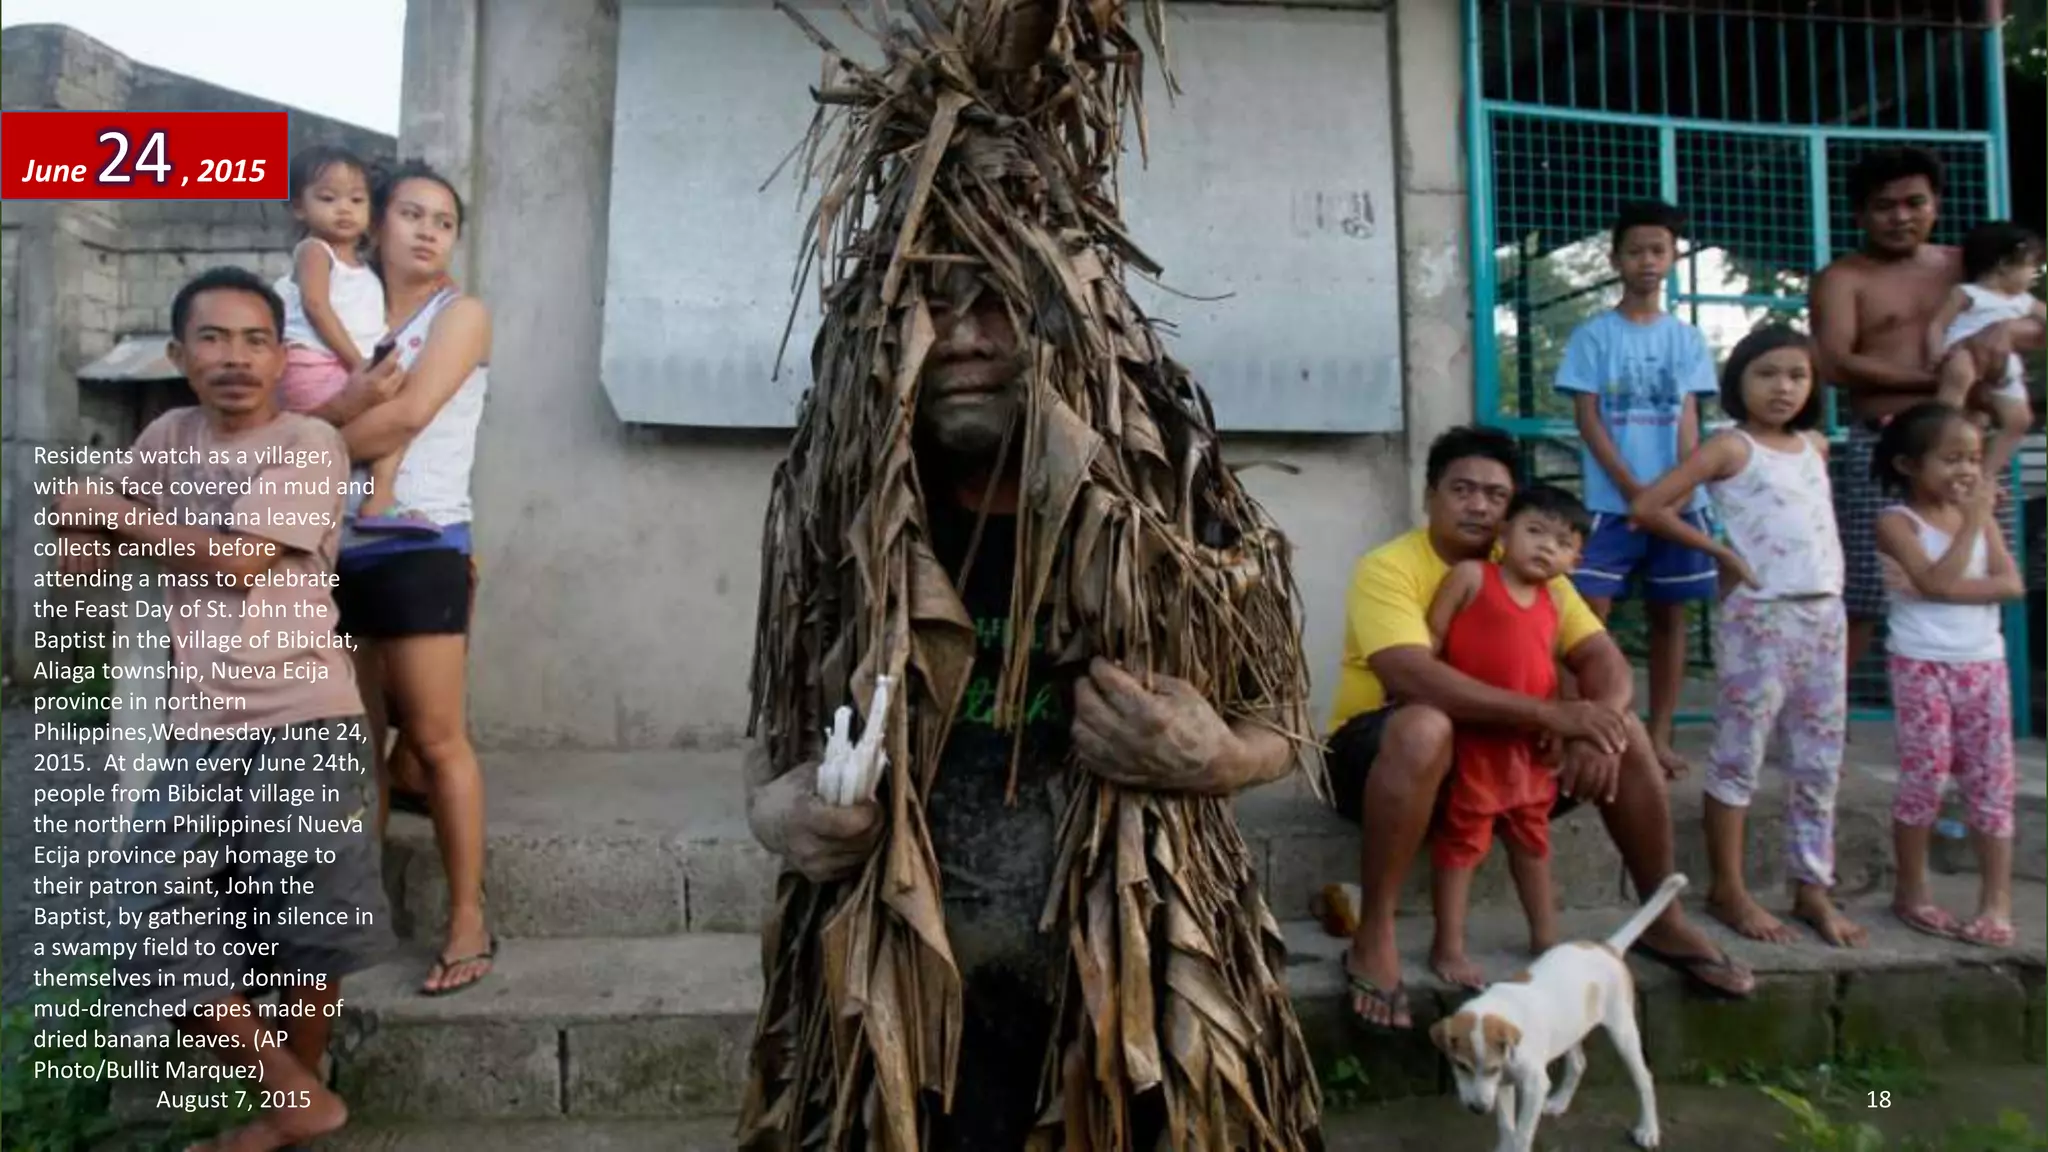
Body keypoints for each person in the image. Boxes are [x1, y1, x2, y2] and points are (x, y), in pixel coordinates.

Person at [742, 276, 1300, 1148]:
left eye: (996, 300)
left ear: (1081, 323)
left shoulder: (1176, 514)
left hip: (1132, 1015)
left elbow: (1285, 727)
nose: (963, 337)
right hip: (906, 1026)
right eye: (929, 304)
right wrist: (792, 816)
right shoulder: (845, 533)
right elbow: (767, 769)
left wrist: (1219, 757)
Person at [52, 266, 393, 1151]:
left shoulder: (309, 443)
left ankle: (292, 1111)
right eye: (213, 338)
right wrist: (84, 532)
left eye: (255, 340)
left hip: (306, 719)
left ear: (282, 356)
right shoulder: (167, 435)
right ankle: (292, 1093)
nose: (235, 358)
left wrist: (117, 522)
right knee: (145, 905)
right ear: (179, 353)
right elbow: (91, 527)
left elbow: (239, 561)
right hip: (201, 727)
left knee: (309, 929)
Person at [1327, 424, 1754, 1031]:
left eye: (1495, 495)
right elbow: (1411, 676)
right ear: (1430, 496)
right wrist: (1554, 715)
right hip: (1377, 758)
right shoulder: (1388, 567)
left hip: (1502, 767)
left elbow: (1603, 659)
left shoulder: (1532, 570)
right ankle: (1375, 936)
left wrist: (1594, 725)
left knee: (1622, 729)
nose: (1478, 504)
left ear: (1511, 512)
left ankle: (1662, 917)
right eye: (1462, 490)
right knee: (1425, 725)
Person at [314, 161, 495, 996]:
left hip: (421, 541)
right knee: (357, 750)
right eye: (412, 214)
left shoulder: (460, 316)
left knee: (435, 737)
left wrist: (287, 449)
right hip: (326, 551)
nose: (427, 231)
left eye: (445, 221)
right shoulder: (337, 307)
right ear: (376, 224)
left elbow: (411, 414)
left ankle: (467, 916)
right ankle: (353, 923)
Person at [1630, 326, 1865, 948]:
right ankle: (1729, 889)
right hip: (1761, 616)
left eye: (1797, 375)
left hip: (1824, 615)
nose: (1783, 387)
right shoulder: (1729, 448)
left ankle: (1812, 887)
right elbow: (1650, 507)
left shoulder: (1815, 445)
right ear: (1739, 381)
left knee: (1820, 761)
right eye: (1767, 374)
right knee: (1740, 755)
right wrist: (1719, 554)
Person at [1809, 146, 2043, 684]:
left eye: (1915, 202)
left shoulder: (1967, 266)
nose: (1901, 217)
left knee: (1982, 567)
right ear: (1860, 214)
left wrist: (2001, 335)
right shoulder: (1842, 278)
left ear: (1936, 203)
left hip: (1969, 449)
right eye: (1884, 206)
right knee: (1865, 591)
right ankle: (1828, 717)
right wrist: (1940, 383)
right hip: (1885, 442)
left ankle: (1980, 706)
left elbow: (2029, 320)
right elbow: (1837, 362)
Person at [1558, 200, 1721, 776]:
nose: (1647, 261)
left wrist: (1677, 492)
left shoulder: (1687, 340)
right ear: (1615, 259)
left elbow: (1687, 420)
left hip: (1679, 501)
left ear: (1673, 258)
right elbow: (1589, 421)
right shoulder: (1593, 337)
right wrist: (1634, 491)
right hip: (1609, 503)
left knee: (1669, 617)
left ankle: (1659, 735)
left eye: (1658, 250)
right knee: (1587, 611)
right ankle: (1579, 728)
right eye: (1635, 251)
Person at [1421, 483, 1590, 989]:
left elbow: (1553, 667)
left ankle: (1546, 937)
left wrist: (1561, 723)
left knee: (1533, 842)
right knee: (1462, 842)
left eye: (1561, 543)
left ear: (1575, 561)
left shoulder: (1553, 603)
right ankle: (1448, 945)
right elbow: (1429, 640)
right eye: (1534, 531)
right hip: (1475, 740)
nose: (1544, 547)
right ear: (1503, 531)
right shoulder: (1472, 576)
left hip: (1528, 748)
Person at [1871, 402, 2023, 948]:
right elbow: (1936, 582)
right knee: (1925, 778)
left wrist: (1951, 576)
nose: (1966, 471)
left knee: (1991, 782)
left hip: (1985, 664)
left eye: (1975, 460)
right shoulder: (1896, 521)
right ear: (1911, 465)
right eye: (1952, 458)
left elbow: (2012, 585)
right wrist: (1974, 524)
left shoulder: (1979, 518)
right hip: (1921, 661)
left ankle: (1996, 903)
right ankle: (1912, 892)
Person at [271, 146, 423, 535]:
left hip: (342, 364)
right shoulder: (314, 251)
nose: (344, 209)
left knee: (405, 407)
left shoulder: (365, 269)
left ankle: (372, 496)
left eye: (356, 200)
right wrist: (358, 362)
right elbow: (316, 306)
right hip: (317, 363)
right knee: (396, 413)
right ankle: (374, 499)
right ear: (298, 208)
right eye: (327, 198)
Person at [1928, 221, 2044, 482]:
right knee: (1955, 388)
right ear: (2003, 264)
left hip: (2005, 366)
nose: (2034, 273)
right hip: (1964, 352)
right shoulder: (1968, 293)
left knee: (2019, 420)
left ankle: (1985, 475)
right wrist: (1935, 351)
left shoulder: (2024, 301)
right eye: (2029, 265)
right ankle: (1936, 441)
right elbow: (1938, 324)